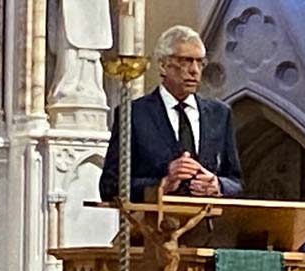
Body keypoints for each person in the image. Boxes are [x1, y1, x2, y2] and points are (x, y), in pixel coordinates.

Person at [99, 25, 243, 203]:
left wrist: (217, 185)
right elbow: (109, 186)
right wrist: (162, 184)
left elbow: (236, 182)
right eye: (185, 61)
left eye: (200, 62)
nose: (195, 71)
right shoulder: (134, 114)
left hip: (208, 224)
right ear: (163, 65)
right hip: (152, 225)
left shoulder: (219, 114)